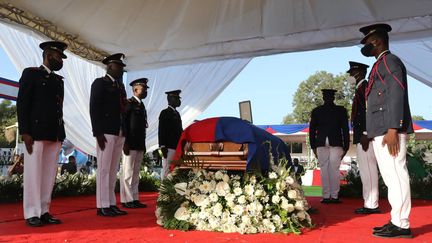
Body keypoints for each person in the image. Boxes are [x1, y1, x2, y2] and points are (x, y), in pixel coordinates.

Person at [359, 23, 414, 238]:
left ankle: (402, 224)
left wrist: (393, 127)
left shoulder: (390, 61)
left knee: (397, 175)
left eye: (367, 42)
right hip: (381, 129)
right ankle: (396, 219)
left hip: (389, 130)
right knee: (391, 178)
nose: (364, 46)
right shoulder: (379, 64)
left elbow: (396, 94)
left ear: (377, 41)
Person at [16, 41, 67, 227]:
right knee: (33, 173)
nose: (61, 60)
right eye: (58, 56)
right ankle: (31, 212)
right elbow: (22, 104)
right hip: (35, 132)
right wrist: (25, 131)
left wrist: (61, 134)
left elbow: (58, 109)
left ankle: (44, 210)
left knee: (48, 174)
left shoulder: (57, 80)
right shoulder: (31, 74)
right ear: (48, 54)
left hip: (54, 132)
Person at [90, 53, 128, 217]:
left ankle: (111, 202)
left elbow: (123, 111)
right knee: (104, 169)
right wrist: (97, 132)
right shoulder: (100, 83)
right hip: (105, 131)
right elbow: (94, 107)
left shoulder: (120, 88)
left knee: (113, 169)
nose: (121, 70)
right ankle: (102, 205)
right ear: (110, 66)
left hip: (118, 131)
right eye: (119, 67)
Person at [347, 61, 381, 215]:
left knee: (368, 169)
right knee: (366, 170)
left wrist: (366, 133)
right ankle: (368, 202)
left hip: (365, 136)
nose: (349, 76)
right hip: (362, 135)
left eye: (351, 73)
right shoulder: (360, 88)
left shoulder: (364, 87)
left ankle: (372, 204)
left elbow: (368, 111)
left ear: (358, 73)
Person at [309, 89, 350, 204]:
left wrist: (313, 147)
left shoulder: (317, 111)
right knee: (334, 169)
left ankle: (326, 196)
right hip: (336, 142)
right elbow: (345, 130)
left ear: (323, 98)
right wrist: (346, 146)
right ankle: (335, 196)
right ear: (333, 98)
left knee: (324, 169)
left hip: (321, 142)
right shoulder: (341, 110)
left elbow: (312, 131)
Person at [120, 78, 149, 209]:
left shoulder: (141, 105)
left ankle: (135, 198)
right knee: (127, 172)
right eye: (144, 89)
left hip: (139, 143)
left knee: (136, 172)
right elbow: (124, 124)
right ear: (135, 89)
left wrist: (143, 144)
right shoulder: (129, 103)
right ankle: (126, 199)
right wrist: (124, 142)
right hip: (129, 143)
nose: (146, 91)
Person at [158, 90, 183, 180]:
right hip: (168, 147)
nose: (179, 101)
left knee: (175, 170)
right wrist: (162, 146)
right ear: (170, 99)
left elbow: (180, 130)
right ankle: (163, 192)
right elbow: (161, 130)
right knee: (167, 169)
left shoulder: (177, 114)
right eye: (176, 98)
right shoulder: (165, 112)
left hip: (176, 146)